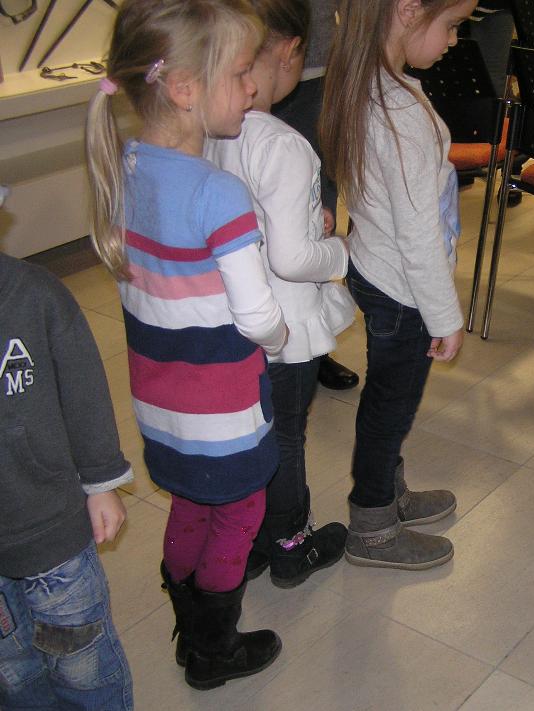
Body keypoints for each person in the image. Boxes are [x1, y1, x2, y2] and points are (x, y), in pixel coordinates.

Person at [85, 0, 288, 690]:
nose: (253, 87)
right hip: (223, 410)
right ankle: (212, 648)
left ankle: (187, 622)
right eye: (240, 73)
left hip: (161, 406)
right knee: (239, 513)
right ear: (183, 88)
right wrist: (283, 337)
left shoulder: (124, 166)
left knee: (191, 504)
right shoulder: (218, 193)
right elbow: (257, 316)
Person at [320, 0, 475, 569]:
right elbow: (418, 235)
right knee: (391, 409)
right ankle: (373, 526)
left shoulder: (365, 81)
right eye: (452, 24)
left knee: (386, 399)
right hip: (405, 291)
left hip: (376, 267)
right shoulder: (400, 113)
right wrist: (445, 316)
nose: (454, 40)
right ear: (409, 10)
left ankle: (389, 491)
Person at [205, 0, 351, 589]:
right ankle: (291, 544)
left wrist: (306, 221)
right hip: (286, 328)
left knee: (255, 432)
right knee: (287, 434)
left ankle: (254, 539)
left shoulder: (212, 131)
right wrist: (341, 251)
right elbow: (292, 258)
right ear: (292, 50)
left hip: (235, 317)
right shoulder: (285, 144)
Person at [0, 197, 133, 709]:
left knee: (82, 667)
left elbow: (84, 394)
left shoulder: (36, 296)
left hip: (52, 535)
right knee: (13, 673)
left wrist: (101, 483)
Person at [272, 0, 361, 392]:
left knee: (318, 199)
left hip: (318, 69)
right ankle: (271, 336)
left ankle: (314, 343)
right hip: (259, 56)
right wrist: (345, 253)